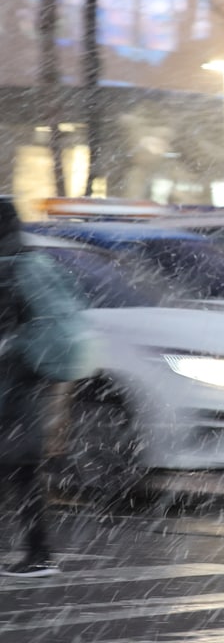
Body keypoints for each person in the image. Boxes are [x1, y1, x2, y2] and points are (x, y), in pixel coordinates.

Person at [0, 197, 89, 579]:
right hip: (22, 386)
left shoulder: (13, 267)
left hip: (12, 385)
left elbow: (22, 329)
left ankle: (39, 554)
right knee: (21, 472)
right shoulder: (28, 260)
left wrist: (11, 347)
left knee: (19, 470)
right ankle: (38, 552)